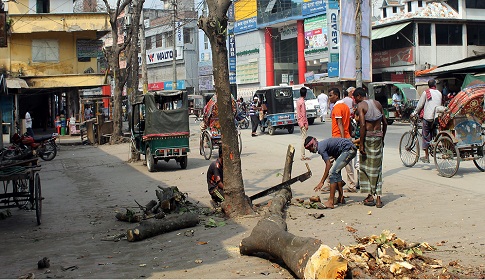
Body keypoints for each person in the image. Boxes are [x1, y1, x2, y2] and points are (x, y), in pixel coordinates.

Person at [354, 87, 387, 208]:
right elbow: (385, 122)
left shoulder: (361, 105)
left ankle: (370, 195)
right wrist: (382, 138)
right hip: (378, 137)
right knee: (377, 168)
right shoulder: (377, 103)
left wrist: (361, 143)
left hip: (367, 138)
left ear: (358, 96)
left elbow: (362, 125)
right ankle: (378, 198)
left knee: (365, 167)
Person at [304, 136, 357, 209]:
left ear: (313, 145)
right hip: (349, 149)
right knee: (336, 173)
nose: (310, 151)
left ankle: (330, 201)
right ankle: (341, 198)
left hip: (348, 150)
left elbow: (328, 165)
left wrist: (322, 182)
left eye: (310, 148)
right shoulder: (323, 145)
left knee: (332, 173)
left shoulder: (321, 148)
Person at [328, 88, 356, 191]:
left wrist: (343, 139)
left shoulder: (337, 108)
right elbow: (348, 123)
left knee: (330, 161)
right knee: (348, 163)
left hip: (338, 138)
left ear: (336, 95)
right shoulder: (346, 107)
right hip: (346, 137)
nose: (329, 98)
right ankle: (351, 185)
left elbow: (340, 123)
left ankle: (330, 183)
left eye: (331, 95)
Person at [412, 79, 443, 163]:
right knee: (433, 132)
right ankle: (435, 144)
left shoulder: (426, 92)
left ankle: (426, 156)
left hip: (428, 117)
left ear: (428, 85)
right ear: (435, 85)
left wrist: (414, 113)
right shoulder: (439, 93)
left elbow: (420, 105)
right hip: (436, 117)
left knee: (425, 135)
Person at [296, 87, 310, 161]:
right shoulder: (302, 102)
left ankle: (303, 155)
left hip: (300, 121)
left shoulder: (298, 101)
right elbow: (304, 114)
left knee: (303, 138)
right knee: (303, 139)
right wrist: (306, 123)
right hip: (303, 122)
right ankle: (303, 155)